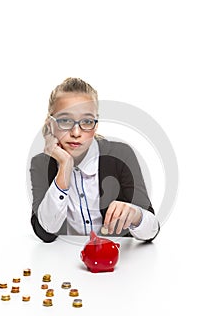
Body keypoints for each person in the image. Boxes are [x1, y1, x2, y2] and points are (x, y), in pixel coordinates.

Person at [30, 77, 160, 243]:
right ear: (50, 125)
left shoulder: (121, 155)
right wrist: (64, 167)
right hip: (66, 259)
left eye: (87, 121)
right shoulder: (40, 164)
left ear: (96, 124)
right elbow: (45, 232)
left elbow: (152, 230)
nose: (76, 132)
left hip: (119, 260)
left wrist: (136, 215)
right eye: (65, 121)